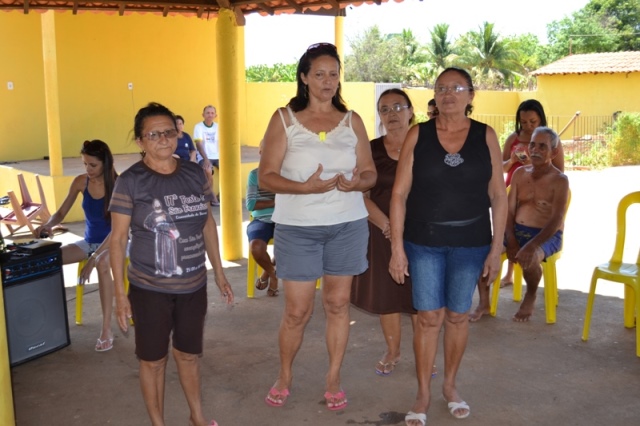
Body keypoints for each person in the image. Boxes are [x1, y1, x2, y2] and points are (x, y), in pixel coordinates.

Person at [259, 42, 376, 411]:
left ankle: (333, 378)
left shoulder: (352, 120)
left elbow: (370, 173)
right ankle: (284, 376)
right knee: (297, 311)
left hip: (347, 225)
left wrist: (356, 183)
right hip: (298, 228)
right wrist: (304, 188)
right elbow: (266, 176)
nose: (328, 81)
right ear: (304, 77)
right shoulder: (284, 119)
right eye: (320, 74)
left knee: (338, 304)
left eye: (334, 74)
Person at [389, 67, 507, 425]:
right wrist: (397, 248)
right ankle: (423, 393)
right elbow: (399, 194)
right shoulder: (418, 134)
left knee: (457, 316)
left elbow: (498, 195)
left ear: (471, 95)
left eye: (456, 88)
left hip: (471, 243)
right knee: (428, 318)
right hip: (424, 242)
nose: (448, 94)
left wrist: (496, 249)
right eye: (441, 88)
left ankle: (450, 386)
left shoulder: (486, 135)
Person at [109, 102, 233, 426]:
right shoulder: (130, 181)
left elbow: (207, 224)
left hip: (193, 285)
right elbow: (118, 240)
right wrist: (120, 294)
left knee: (189, 354)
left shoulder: (194, 173)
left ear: (178, 134)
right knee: (153, 360)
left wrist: (219, 273)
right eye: (154, 134)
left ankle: (197, 416)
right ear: (140, 141)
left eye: (169, 132)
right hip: (149, 288)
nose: (163, 139)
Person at [351, 88, 418, 377]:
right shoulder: (371, 150)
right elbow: (360, 194)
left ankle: (424, 353)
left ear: (411, 111)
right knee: (387, 294)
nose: (392, 114)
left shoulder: (426, 145)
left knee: (421, 295)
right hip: (381, 231)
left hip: (420, 232)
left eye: (398, 107)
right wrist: (389, 226)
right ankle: (393, 350)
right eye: (385, 109)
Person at [474, 127, 569, 323]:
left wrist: (532, 245)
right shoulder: (519, 173)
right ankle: (484, 303)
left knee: (530, 258)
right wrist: (511, 239)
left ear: (554, 152)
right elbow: (508, 212)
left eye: (542, 147)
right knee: (482, 253)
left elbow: (556, 220)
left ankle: (531, 294)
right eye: (532, 145)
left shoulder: (560, 180)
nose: (535, 150)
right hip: (517, 231)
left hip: (546, 236)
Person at [34, 140, 118, 352]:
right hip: (89, 242)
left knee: (102, 263)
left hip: (116, 242)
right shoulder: (81, 182)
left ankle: (106, 329)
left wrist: (93, 258)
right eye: (85, 164)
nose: (88, 169)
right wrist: (48, 225)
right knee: (49, 258)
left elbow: (118, 229)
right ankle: (41, 320)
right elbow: (61, 212)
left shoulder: (119, 185)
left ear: (105, 163)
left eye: (93, 165)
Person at [496, 100, 564, 289]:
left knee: (530, 230)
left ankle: (530, 287)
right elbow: (500, 167)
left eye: (532, 121)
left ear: (540, 118)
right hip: (515, 187)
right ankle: (509, 274)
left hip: (540, 194)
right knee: (511, 225)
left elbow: (559, 171)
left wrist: (536, 166)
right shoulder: (513, 138)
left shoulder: (551, 140)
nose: (528, 126)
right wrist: (512, 161)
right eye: (524, 122)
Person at [246, 139, 278, 297]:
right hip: (261, 220)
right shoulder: (254, 175)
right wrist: (276, 201)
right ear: (260, 152)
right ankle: (273, 274)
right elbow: (251, 204)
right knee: (256, 247)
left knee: (290, 242)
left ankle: (266, 274)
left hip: (284, 219)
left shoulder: (288, 174)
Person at [193, 105, 220, 206]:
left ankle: (222, 196)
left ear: (215, 115)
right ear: (203, 115)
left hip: (218, 156)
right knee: (208, 170)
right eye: (208, 113)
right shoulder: (198, 127)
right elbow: (198, 144)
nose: (210, 115)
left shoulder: (218, 127)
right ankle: (212, 197)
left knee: (229, 171)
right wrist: (206, 159)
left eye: (212, 113)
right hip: (204, 156)